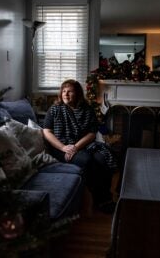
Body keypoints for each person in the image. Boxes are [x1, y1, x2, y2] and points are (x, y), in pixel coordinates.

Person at [43, 79, 117, 213]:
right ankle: (101, 200)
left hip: (82, 144)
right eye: (63, 91)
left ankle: (106, 197)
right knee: (87, 160)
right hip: (61, 147)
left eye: (69, 91)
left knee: (103, 158)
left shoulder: (87, 109)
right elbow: (46, 131)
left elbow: (92, 133)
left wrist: (76, 147)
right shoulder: (54, 109)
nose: (65, 94)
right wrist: (64, 147)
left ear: (77, 93)